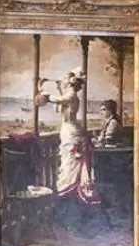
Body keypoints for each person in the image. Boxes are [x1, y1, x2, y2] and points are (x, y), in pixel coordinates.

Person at [35, 69, 100, 206]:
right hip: (67, 131)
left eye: (64, 78)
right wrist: (58, 89)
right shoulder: (68, 95)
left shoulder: (71, 96)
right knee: (67, 163)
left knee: (70, 163)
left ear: (70, 82)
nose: (62, 80)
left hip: (71, 132)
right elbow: (59, 107)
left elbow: (51, 99)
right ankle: (68, 196)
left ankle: (69, 197)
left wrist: (41, 88)